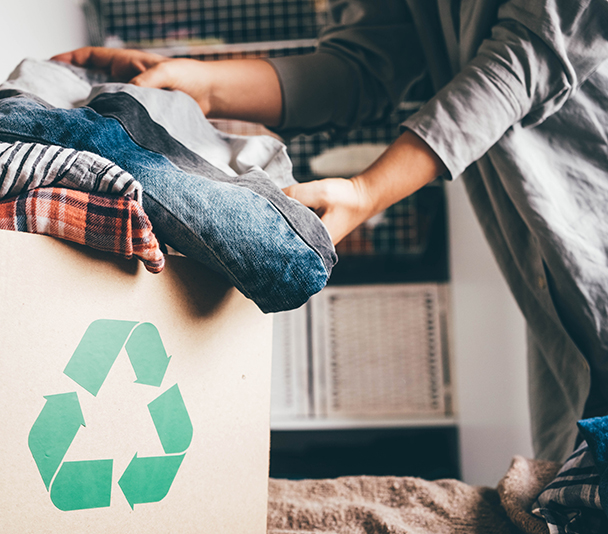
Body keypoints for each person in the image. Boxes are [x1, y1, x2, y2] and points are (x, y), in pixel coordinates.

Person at [54, 0, 608, 463]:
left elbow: (529, 57)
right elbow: (362, 68)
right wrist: (203, 84)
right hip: (551, 293)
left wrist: (368, 192)